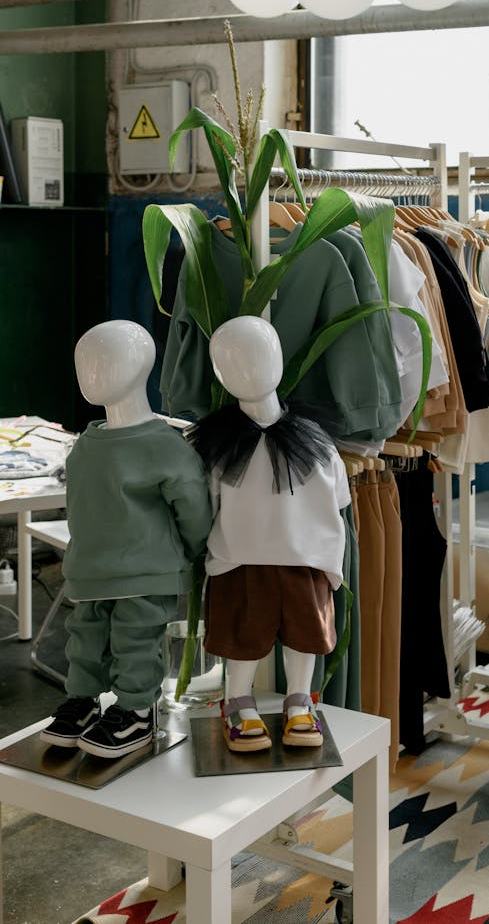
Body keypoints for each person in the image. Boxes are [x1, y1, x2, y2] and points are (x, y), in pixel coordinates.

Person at [41, 321, 212, 758]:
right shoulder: (87, 443)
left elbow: (193, 509)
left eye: (102, 362)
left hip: (145, 569)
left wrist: (190, 551)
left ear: (139, 367)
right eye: (84, 363)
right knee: (86, 638)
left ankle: (135, 711)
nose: (90, 373)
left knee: (136, 640)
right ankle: (82, 701)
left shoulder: (166, 445)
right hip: (92, 569)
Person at [187, 316, 350, 752]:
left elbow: (337, 501)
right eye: (231, 361)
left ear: (279, 359)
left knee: (305, 632)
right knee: (242, 636)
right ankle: (237, 701)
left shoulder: (316, 442)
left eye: (258, 355)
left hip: (304, 557)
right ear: (219, 372)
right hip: (242, 559)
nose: (248, 368)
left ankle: (301, 699)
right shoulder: (216, 445)